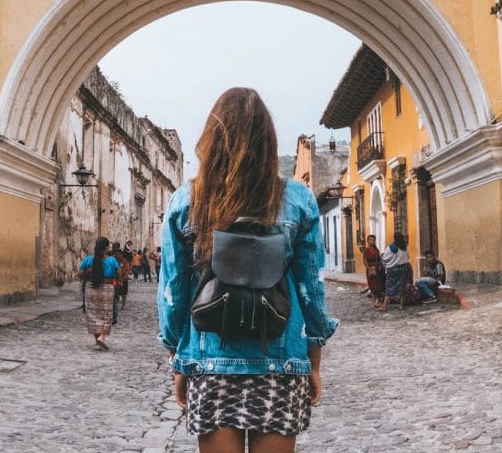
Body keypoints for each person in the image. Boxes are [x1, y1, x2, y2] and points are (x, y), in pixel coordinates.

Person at [158, 87, 338, 453]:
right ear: (268, 142)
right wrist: (313, 359)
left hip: (211, 364)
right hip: (280, 362)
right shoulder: (297, 200)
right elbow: (310, 289)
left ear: (211, 140)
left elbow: (174, 291)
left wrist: (180, 360)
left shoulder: (187, 201)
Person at [84, 236, 120, 350]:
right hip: (107, 289)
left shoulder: (89, 259)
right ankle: (102, 337)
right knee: (106, 314)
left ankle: (97, 340)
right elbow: (119, 273)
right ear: (106, 248)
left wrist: (88, 271)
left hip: (91, 288)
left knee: (93, 314)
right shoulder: (112, 260)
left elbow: (79, 274)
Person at [379, 232, 415, 312]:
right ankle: (401, 305)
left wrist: (383, 259)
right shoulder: (404, 248)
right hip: (403, 269)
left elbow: (385, 259)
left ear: (394, 238)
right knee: (402, 286)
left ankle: (385, 306)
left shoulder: (390, 248)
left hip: (393, 270)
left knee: (389, 286)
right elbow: (407, 257)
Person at [361, 234, 386, 310]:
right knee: (373, 285)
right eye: (370, 240)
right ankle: (373, 301)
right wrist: (369, 269)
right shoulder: (366, 250)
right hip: (371, 268)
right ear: (368, 241)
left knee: (378, 285)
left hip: (378, 269)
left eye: (373, 240)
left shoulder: (376, 249)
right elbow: (365, 260)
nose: (372, 241)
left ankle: (378, 301)